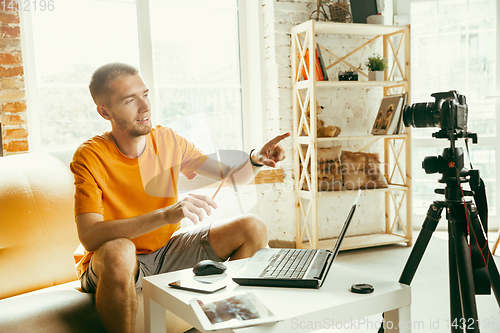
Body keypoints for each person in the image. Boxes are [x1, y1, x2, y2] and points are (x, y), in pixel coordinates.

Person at [70, 62, 290, 333]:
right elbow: (90, 236)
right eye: (130, 100)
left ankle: (224, 326)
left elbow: (231, 176)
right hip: (110, 262)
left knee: (252, 227)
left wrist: (256, 159)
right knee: (120, 250)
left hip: (164, 252)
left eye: (145, 95)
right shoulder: (89, 156)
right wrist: (167, 214)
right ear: (105, 112)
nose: (145, 106)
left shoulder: (168, 140)